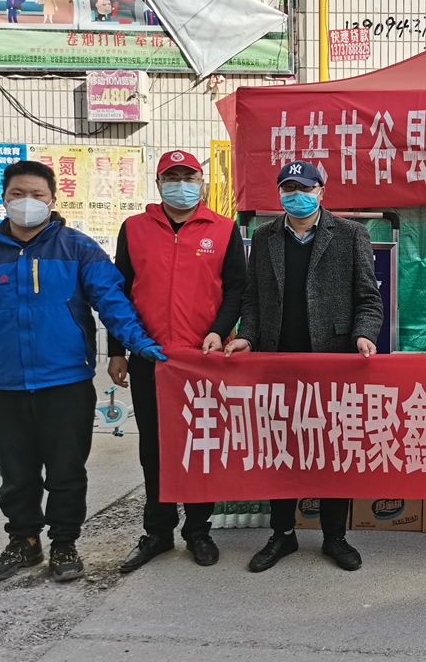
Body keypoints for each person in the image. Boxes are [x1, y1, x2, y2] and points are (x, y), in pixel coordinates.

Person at [0, 161, 164, 582]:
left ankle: (64, 543)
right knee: (15, 474)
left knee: (66, 471)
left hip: (65, 380)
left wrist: (138, 342)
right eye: (18, 194)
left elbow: (112, 300)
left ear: (53, 199)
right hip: (4, 382)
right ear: (4, 198)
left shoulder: (77, 248)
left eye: (37, 195)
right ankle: (24, 541)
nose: (27, 202)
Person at [224, 160, 382, 573]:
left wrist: (363, 334)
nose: (297, 195)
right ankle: (282, 534)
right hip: (278, 362)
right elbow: (253, 299)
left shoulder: (350, 234)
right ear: (279, 194)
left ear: (321, 192)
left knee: (333, 451)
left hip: (333, 362)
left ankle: (335, 537)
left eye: (305, 188)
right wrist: (248, 336)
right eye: (289, 188)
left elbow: (369, 298)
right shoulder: (265, 237)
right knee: (281, 450)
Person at [108, 150, 246, 574]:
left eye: (189, 177)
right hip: (149, 356)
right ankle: (158, 530)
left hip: (202, 358)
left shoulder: (223, 229)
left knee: (199, 445)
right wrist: (118, 351)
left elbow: (237, 289)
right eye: (172, 177)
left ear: (201, 183)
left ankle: (198, 531)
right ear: (158, 184)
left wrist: (219, 331)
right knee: (154, 448)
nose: (181, 184)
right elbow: (119, 293)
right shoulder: (134, 228)